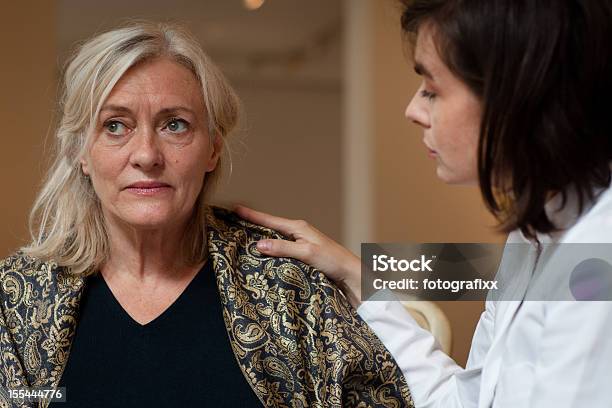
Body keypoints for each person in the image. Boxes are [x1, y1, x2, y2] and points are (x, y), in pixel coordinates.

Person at [0, 22, 413, 408]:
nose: (146, 155)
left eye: (175, 125)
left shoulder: (287, 283)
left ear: (213, 148)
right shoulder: (17, 298)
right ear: (80, 153)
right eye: (114, 126)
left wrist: (364, 277)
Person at [236, 0, 612, 407]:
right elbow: (465, 400)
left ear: (516, 95)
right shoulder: (534, 233)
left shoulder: (597, 258)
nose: (413, 110)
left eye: (432, 90)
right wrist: (355, 275)